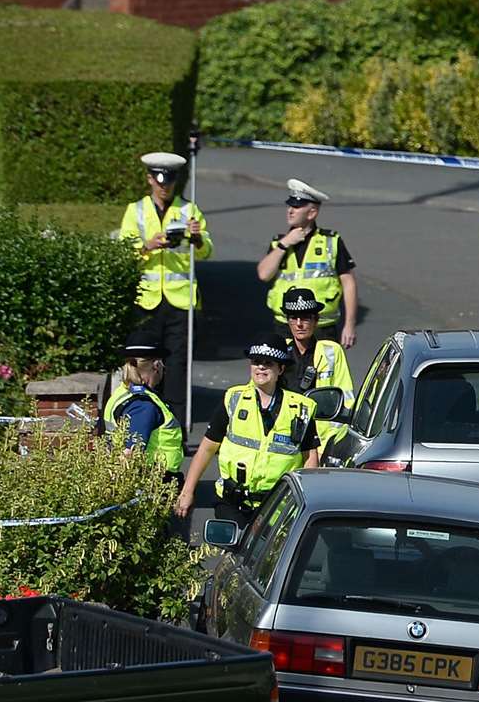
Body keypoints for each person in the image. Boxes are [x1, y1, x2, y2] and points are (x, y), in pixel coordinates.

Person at [174, 343, 319, 527]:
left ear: (281, 369)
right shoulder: (234, 399)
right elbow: (206, 449)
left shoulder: (301, 408)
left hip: (277, 507)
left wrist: (306, 501)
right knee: (236, 551)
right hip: (232, 502)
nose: (260, 367)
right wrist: (187, 491)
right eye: (256, 362)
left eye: (268, 363)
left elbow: (309, 457)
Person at [118, 151, 210, 426]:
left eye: (169, 182)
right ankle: (143, 422)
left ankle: (176, 428)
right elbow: (123, 250)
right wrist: (148, 245)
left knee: (177, 369)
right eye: (159, 181)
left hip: (180, 302)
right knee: (143, 365)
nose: (164, 186)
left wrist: (195, 239)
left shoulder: (189, 210)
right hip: (146, 302)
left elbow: (207, 251)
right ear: (149, 180)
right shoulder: (136, 211)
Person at [257, 178, 357, 348]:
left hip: (321, 326)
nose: (290, 211)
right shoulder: (279, 243)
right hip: (286, 325)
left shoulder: (330, 241)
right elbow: (263, 274)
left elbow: (348, 283)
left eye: (296, 207)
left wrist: (349, 325)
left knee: (323, 372)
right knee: (286, 373)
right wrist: (285, 244)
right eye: (289, 206)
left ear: (311, 213)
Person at [278, 287, 354, 446]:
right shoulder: (279, 352)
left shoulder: (332, 351)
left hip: (322, 440)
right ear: (288, 320)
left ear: (316, 320)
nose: (299, 324)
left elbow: (346, 399)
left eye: (305, 318)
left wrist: (335, 441)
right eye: (294, 318)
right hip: (283, 437)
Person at [101, 339, 185, 479]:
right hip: (151, 482)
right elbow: (131, 452)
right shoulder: (143, 406)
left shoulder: (123, 392)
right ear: (156, 366)